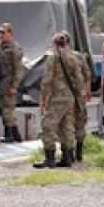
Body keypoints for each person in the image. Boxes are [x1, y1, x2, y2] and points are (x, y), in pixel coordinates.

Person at [34, 33, 83, 169]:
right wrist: (79, 97)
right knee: (66, 127)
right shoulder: (73, 58)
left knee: (48, 126)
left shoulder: (53, 58)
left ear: (55, 43)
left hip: (57, 97)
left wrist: (43, 98)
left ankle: (49, 158)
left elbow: (47, 80)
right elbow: (79, 80)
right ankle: (67, 157)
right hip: (70, 98)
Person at [63, 31, 91, 162]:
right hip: (79, 95)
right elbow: (87, 75)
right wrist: (87, 91)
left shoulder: (58, 57)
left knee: (67, 124)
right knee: (80, 123)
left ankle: (69, 153)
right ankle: (79, 152)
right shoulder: (79, 56)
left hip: (65, 95)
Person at [0, 23, 24, 143]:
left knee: (8, 109)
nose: (1, 35)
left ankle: (10, 134)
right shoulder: (1, 47)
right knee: (4, 109)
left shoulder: (14, 48)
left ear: (10, 33)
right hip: (2, 82)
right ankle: (15, 134)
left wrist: (14, 85)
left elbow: (18, 69)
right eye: (0, 33)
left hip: (9, 82)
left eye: (3, 33)